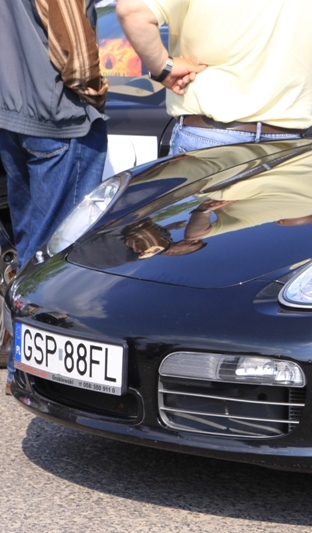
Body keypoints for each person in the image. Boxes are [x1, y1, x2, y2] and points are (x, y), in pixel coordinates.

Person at [116, 0, 312, 155]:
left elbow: (132, 10)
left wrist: (163, 68)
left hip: (207, 142)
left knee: (207, 249)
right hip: (288, 147)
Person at [0, 0, 109, 392]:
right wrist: (94, 89)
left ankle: (21, 367)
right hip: (57, 117)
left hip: (12, 115)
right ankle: (37, 378)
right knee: (59, 260)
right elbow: (75, 48)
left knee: (33, 247)